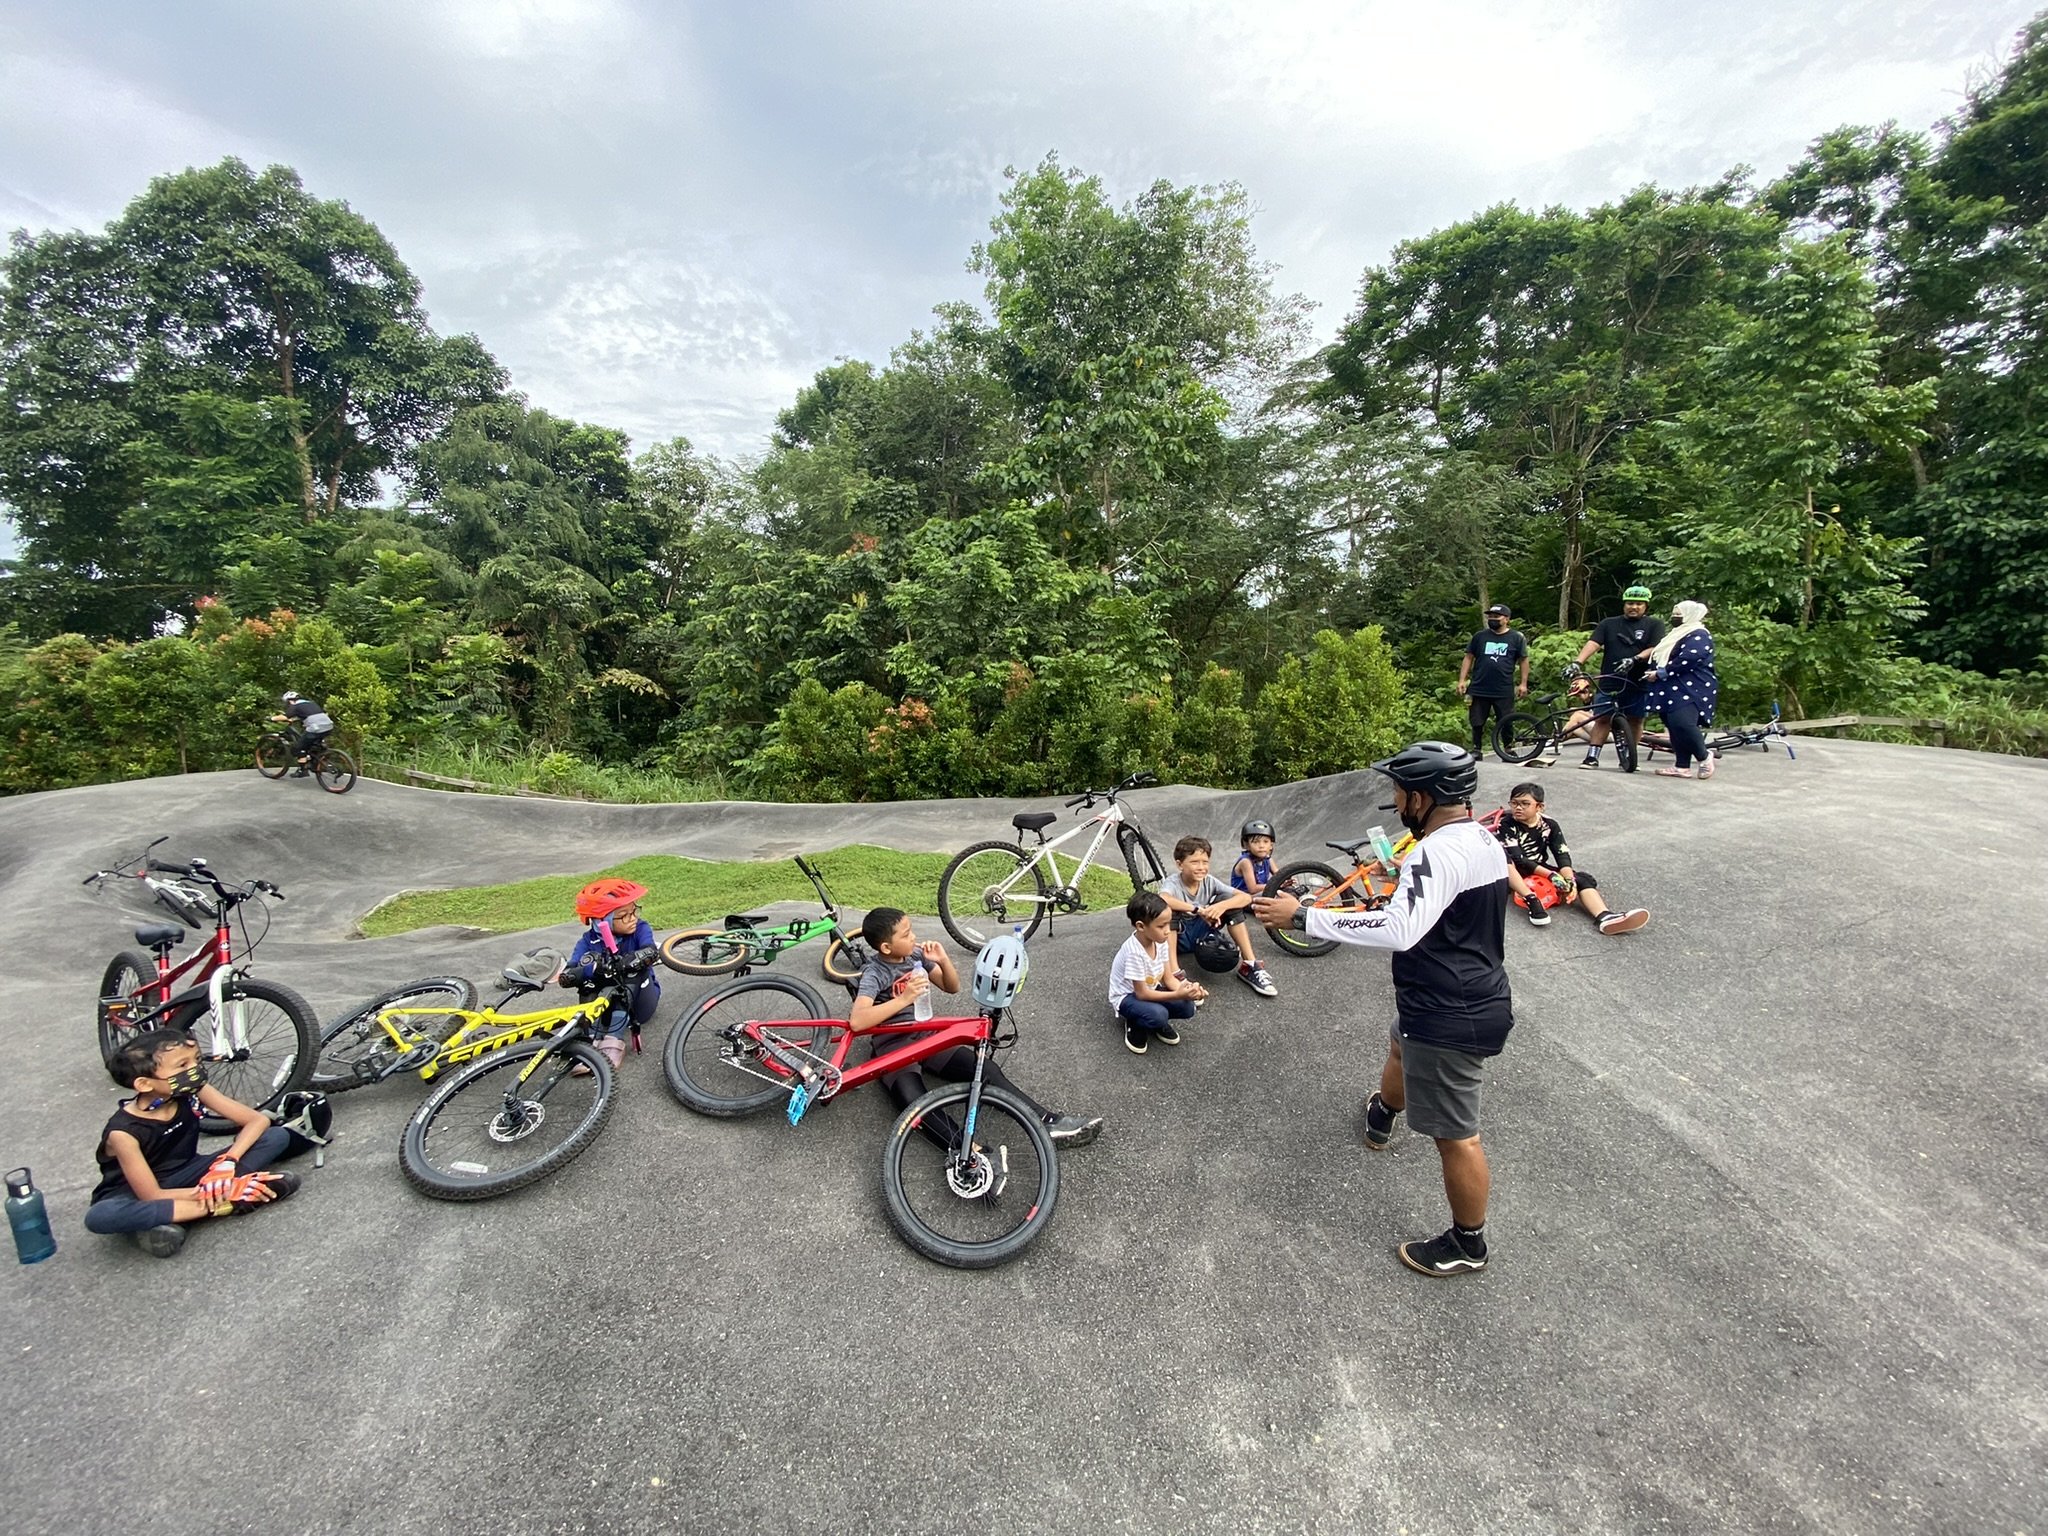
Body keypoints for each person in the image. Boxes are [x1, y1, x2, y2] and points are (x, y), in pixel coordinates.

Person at [1252, 741, 1512, 1279]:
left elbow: (1400, 929)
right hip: (1449, 994)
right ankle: (1383, 1113)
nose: (1394, 802)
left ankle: (1468, 1242)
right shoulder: (1481, 839)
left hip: (1450, 1012)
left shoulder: (1434, 852)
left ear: (1421, 796)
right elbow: (1431, 912)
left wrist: (1303, 917)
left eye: (1398, 791)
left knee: (1457, 1135)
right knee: (1400, 1042)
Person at [853, 907, 1100, 1143]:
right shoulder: (874, 973)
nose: (914, 937)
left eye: (912, 930)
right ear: (886, 947)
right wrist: (904, 999)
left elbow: (952, 987)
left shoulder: (915, 956)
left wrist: (943, 960)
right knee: (913, 1100)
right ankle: (969, 1154)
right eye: (906, 935)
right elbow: (858, 1021)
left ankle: (1047, 1121)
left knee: (987, 1070)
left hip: (926, 1035)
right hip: (894, 1045)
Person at [84, 1027, 303, 1258]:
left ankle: (170, 1222)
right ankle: (229, 1201)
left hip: (192, 1174)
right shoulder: (123, 1133)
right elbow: (152, 1195)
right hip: (137, 1193)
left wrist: (228, 1162)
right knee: (101, 1216)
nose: (195, 1070)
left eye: (196, 1061)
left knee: (275, 1136)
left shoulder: (190, 1089)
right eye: (182, 1066)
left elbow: (256, 1121)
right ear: (145, 1084)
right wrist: (226, 1191)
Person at [1496, 783, 1649, 934]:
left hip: (1538, 866)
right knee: (1509, 864)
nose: (1518, 808)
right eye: (1514, 803)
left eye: (1525, 804)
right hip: (1514, 869)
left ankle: (1604, 916)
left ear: (1540, 807)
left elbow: (1561, 853)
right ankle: (1532, 901)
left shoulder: (1549, 825)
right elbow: (1518, 858)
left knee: (1581, 879)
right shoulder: (1507, 824)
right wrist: (1551, 875)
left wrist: (1569, 880)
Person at [563, 878, 660, 1072]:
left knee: (632, 973)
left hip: (640, 1001)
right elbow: (569, 972)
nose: (632, 918)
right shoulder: (587, 941)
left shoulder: (640, 928)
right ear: (601, 922)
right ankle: (590, 1039)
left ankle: (614, 1039)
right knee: (588, 983)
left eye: (634, 911)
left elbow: (650, 951)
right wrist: (589, 971)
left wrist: (628, 961)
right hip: (603, 1005)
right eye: (623, 915)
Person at [1160, 835, 1277, 997]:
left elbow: (1246, 897)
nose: (1201, 867)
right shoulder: (1173, 883)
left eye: (1205, 862)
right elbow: (1163, 899)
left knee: (1230, 902)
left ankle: (1250, 965)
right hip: (1179, 936)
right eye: (1194, 862)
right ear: (1180, 865)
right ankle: (1174, 973)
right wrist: (1199, 910)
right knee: (1167, 910)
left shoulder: (1210, 881)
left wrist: (1220, 907)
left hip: (1201, 931)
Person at [1572, 586, 1666, 769]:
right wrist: (1578, 662)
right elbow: (1594, 643)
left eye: (1639, 604)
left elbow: (1655, 647)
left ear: (1646, 606)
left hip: (1638, 679)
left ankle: (1631, 755)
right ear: (1624, 605)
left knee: (1636, 719)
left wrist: (1635, 659)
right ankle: (1592, 756)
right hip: (1610, 679)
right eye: (1630, 603)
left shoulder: (1654, 624)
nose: (1634, 607)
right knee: (1602, 718)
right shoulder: (1609, 624)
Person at [1110, 890, 1207, 1055]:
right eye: (1161, 926)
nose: (1168, 930)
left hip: (1151, 990)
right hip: (1128, 997)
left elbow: (1169, 979)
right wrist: (1177, 995)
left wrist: (1189, 990)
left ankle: (1153, 1020)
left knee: (1188, 1007)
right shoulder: (1134, 952)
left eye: (1168, 924)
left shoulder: (1160, 941)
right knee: (1158, 1014)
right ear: (1141, 926)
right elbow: (1141, 994)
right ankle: (1136, 1022)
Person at [1642, 600, 1720, 780]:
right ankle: (1681, 765)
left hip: (1691, 687)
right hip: (1668, 686)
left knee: (1682, 723)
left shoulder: (1699, 634)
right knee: (1673, 726)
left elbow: (1690, 658)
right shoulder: (1676, 634)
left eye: (1679, 614)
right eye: (1674, 613)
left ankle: (1703, 756)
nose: (1674, 617)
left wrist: (1662, 672)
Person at [1457, 604, 1530, 757]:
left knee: (1506, 719)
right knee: (1477, 719)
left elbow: (1523, 660)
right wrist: (1462, 680)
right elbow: (1469, 657)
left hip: (1503, 687)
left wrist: (1523, 683)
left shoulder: (1516, 638)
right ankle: (1477, 748)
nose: (1492, 619)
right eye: (1490, 616)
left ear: (1507, 619)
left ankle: (1508, 748)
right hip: (1479, 686)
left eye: (1496, 617)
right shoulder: (1479, 637)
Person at [271, 691, 334, 774]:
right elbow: (311, 714)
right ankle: (316, 761)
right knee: (314, 745)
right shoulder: (311, 703)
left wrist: (272, 718)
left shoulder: (295, 706)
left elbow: (285, 716)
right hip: (329, 726)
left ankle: (302, 771)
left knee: (299, 748)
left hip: (316, 728)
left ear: (290, 701)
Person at [1230, 819, 1277, 897]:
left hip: (1259, 894)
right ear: (1246, 845)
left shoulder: (1268, 860)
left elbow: (1280, 875)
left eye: (1265, 842)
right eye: (1255, 842)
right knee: (1276, 895)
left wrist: (1287, 881)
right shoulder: (1246, 862)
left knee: (1290, 891)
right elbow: (1253, 889)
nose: (1261, 846)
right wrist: (1278, 885)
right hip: (1244, 899)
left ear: (1271, 845)